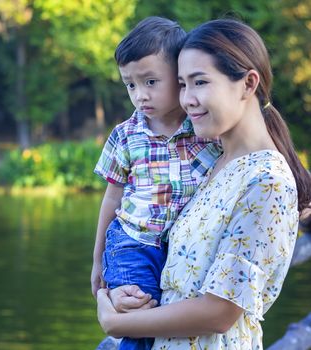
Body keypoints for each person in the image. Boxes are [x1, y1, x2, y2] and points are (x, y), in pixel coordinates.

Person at [96, 18, 311, 349]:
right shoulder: (212, 164)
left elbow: (220, 312)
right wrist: (119, 291)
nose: (187, 99)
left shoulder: (265, 181)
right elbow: (176, 271)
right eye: (182, 84)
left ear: (248, 83)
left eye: (199, 83)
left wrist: (115, 320)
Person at [91, 17, 221, 349]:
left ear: (179, 78)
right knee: (140, 316)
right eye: (130, 85)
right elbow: (111, 199)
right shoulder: (126, 135)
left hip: (179, 247)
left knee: (174, 320)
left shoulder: (205, 132)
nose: (140, 95)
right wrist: (97, 260)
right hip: (132, 243)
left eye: (150, 81)